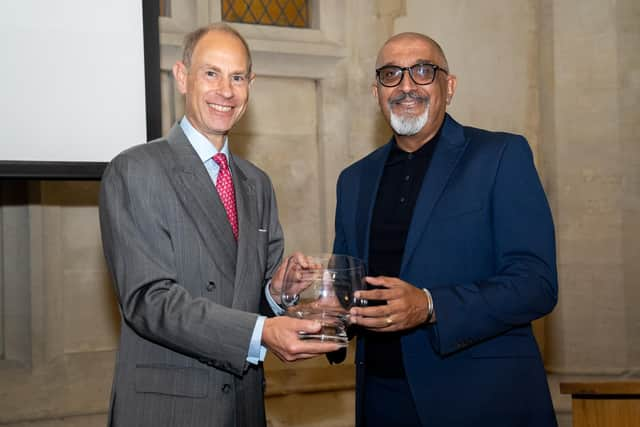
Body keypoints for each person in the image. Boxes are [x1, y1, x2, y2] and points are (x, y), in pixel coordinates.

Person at [99, 23, 340, 427]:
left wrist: (279, 291)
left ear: (250, 84)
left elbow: (250, 299)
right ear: (181, 77)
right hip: (169, 412)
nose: (225, 91)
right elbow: (148, 301)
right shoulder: (135, 170)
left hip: (244, 408)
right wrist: (262, 333)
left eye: (238, 77)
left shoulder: (256, 183)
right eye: (211, 73)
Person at [330, 32, 558, 426]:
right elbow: (346, 291)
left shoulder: (501, 156)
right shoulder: (354, 180)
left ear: (448, 87)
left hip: (480, 400)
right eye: (390, 75)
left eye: (422, 71)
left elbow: (536, 283)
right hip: (380, 401)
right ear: (376, 92)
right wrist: (316, 306)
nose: (405, 86)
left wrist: (431, 305)